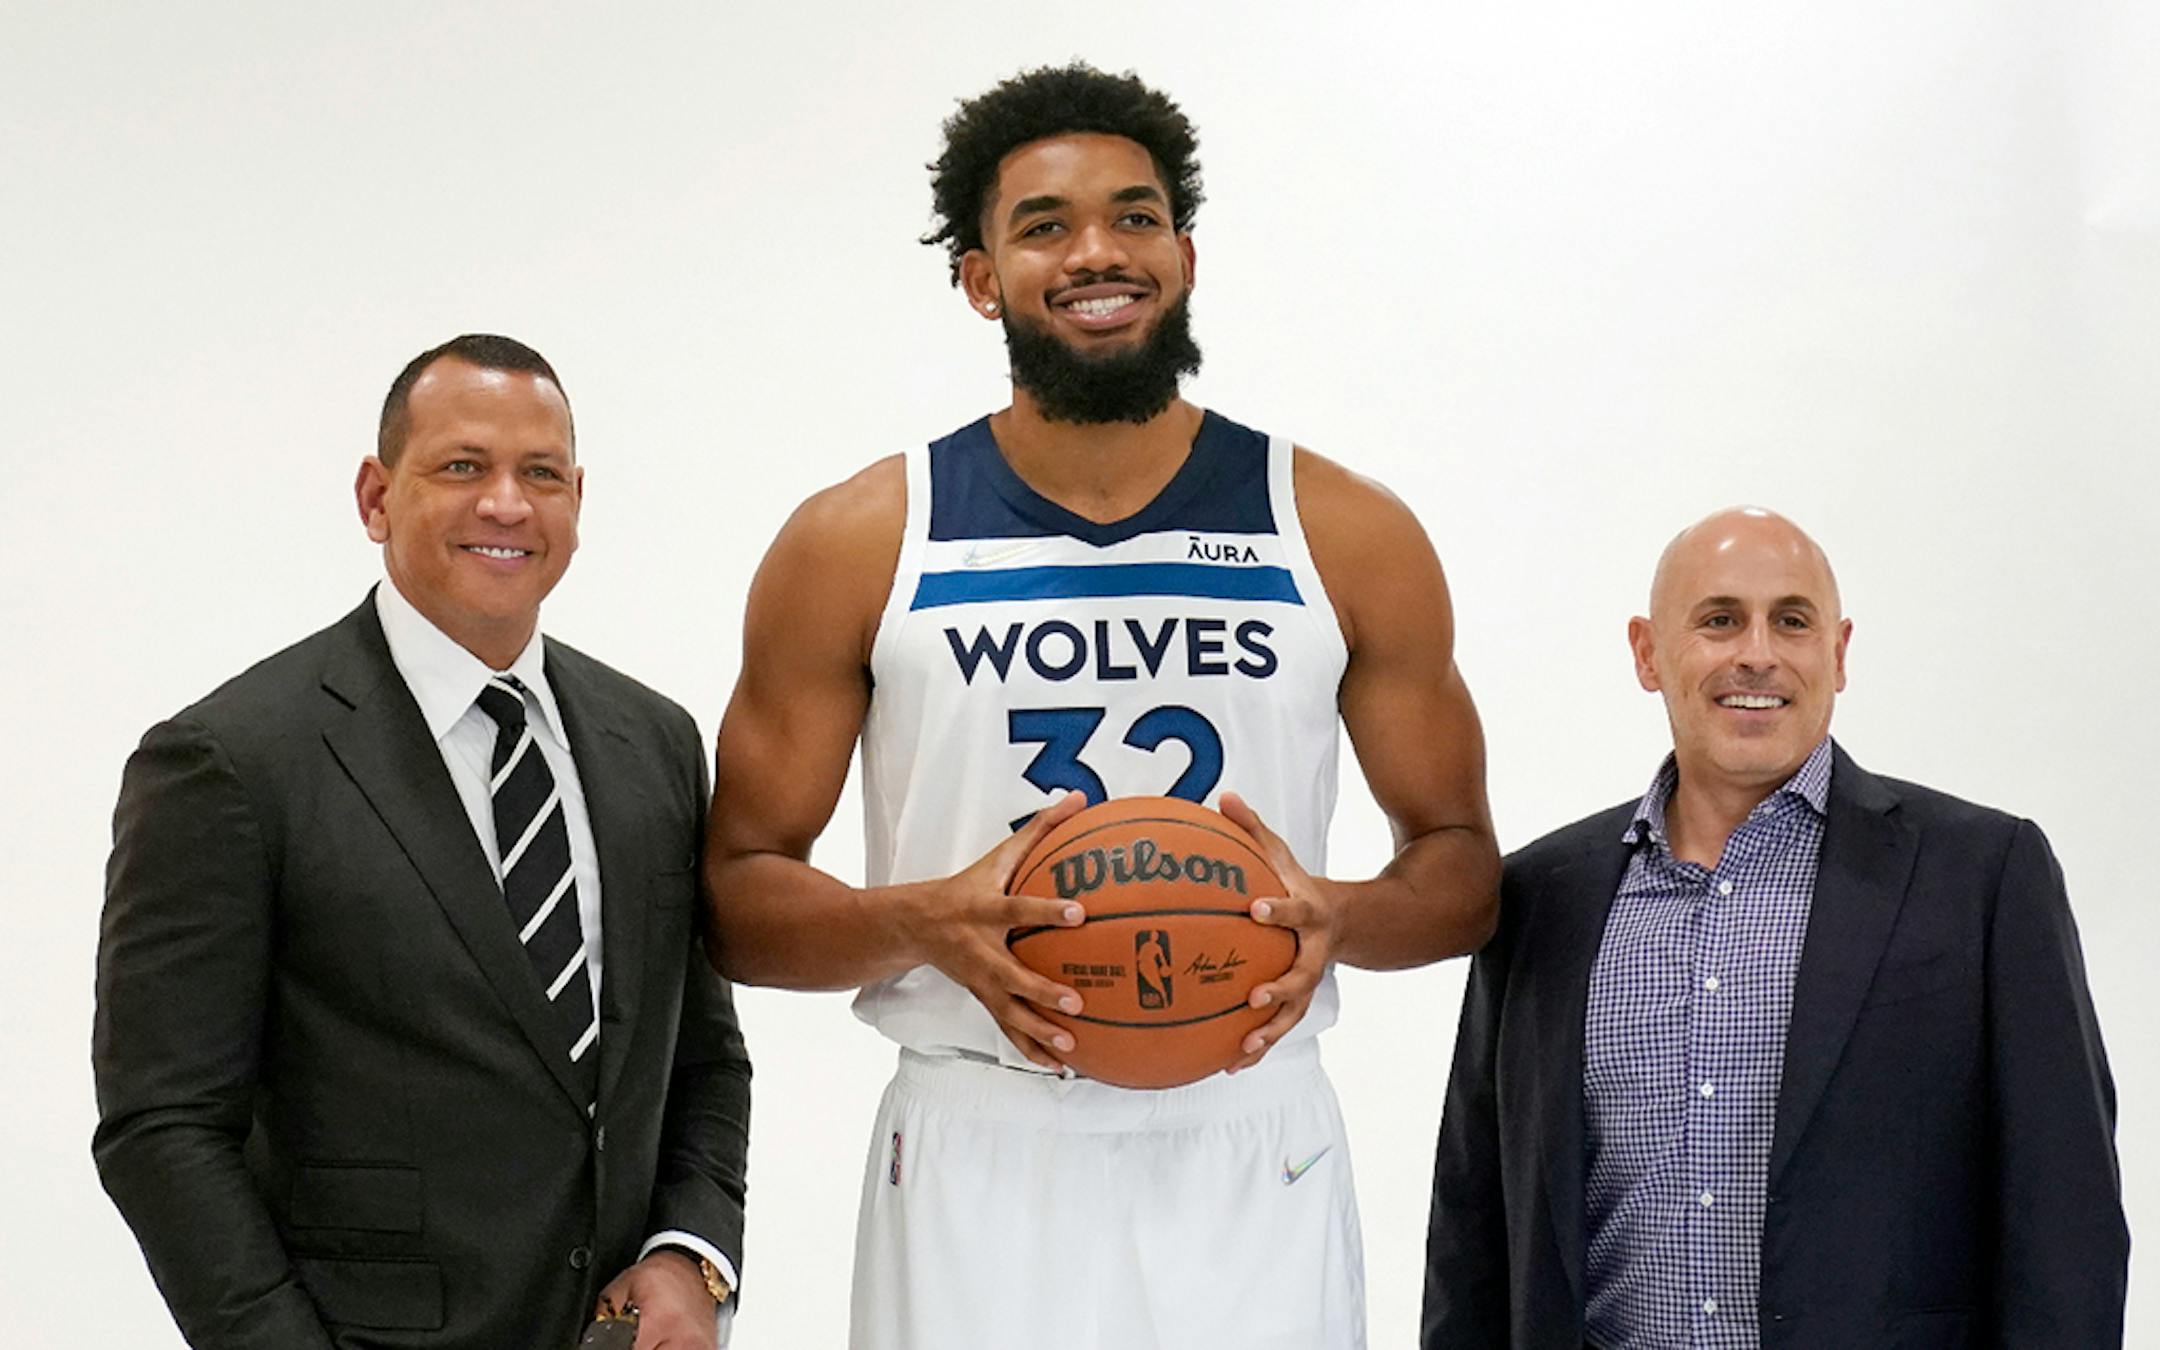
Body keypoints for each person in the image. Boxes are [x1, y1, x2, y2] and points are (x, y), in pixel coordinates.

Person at [704, 64, 1498, 1349]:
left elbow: (1463, 869)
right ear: (978, 277)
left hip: (1250, 1127)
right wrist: (926, 922)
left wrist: (1334, 916)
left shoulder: (1342, 530)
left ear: (1183, 255)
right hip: (980, 1131)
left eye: (1134, 217)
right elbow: (737, 896)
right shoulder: (860, 540)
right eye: (1045, 225)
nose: (1097, 253)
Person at [94, 335, 751, 1349]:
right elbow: (161, 1126)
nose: (506, 503)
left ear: (578, 500)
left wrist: (687, 1252)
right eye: (461, 467)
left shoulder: (653, 741)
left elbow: (701, 1058)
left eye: (541, 474)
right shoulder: (228, 761)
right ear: (375, 497)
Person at [1422, 507, 2128, 1348]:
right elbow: (1473, 1229)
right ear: (1647, 653)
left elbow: (2066, 1217)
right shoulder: (1541, 895)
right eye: (1720, 620)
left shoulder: (1981, 875)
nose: (1757, 651)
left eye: (1791, 621)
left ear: (1837, 653)